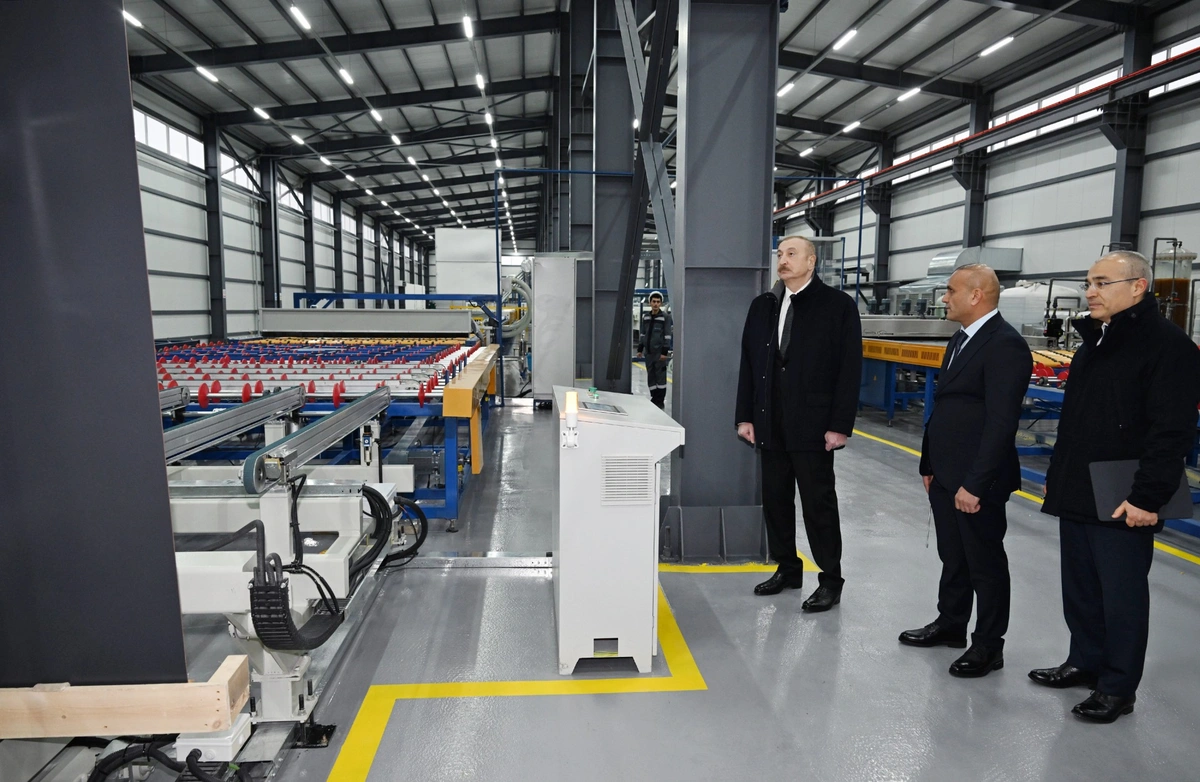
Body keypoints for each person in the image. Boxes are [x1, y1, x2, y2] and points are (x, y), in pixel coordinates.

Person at [1030, 250, 1200, 722]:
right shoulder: (1097, 342)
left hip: (1125, 491)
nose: (1090, 292)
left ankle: (1118, 688)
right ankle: (1085, 661)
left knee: (1121, 595)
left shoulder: (1167, 346)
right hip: (1080, 485)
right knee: (1081, 586)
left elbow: (1172, 432)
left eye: (1102, 283)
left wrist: (1147, 497)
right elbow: (1075, 422)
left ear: (1138, 287)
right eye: (1089, 282)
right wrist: (1057, 478)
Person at [899, 264, 1032, 678]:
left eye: (951, 291)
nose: (944, 298)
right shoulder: (960, 338)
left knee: (984, 563)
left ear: (976, 295)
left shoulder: (1005, 345)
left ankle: (989, 645)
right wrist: (929, 463)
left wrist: (975, 484)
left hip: (977, 479)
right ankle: (952, 623)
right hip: (945, 472)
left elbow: (1001, 423)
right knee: (953, 556)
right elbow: (944, 407)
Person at [735, 235, 862, 612]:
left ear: (811, 261)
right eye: (780, 253)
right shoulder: (763, 306)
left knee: (818, 504)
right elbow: (749, 364)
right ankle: (788, 568)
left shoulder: (837, 306)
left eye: (792, 254)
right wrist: (745, 415)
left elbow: (849, 369)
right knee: (776, 500)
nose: (783, 260)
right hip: (770, 422)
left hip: (814, 426)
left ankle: (831, 579)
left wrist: (839, 425)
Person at [637, 291, 672, 409]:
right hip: (648, 353)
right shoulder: (646, 317)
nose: (656, 304)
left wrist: (664, 352)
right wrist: (640, 349)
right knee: (651, 376)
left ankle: (660, 400)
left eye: (658, 302)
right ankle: (654, 397)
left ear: (661, 303)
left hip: (659, 353)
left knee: (660, 376)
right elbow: (643, 334)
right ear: (650, 303)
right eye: (654, 302)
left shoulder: (665, 317)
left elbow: (667, 335)